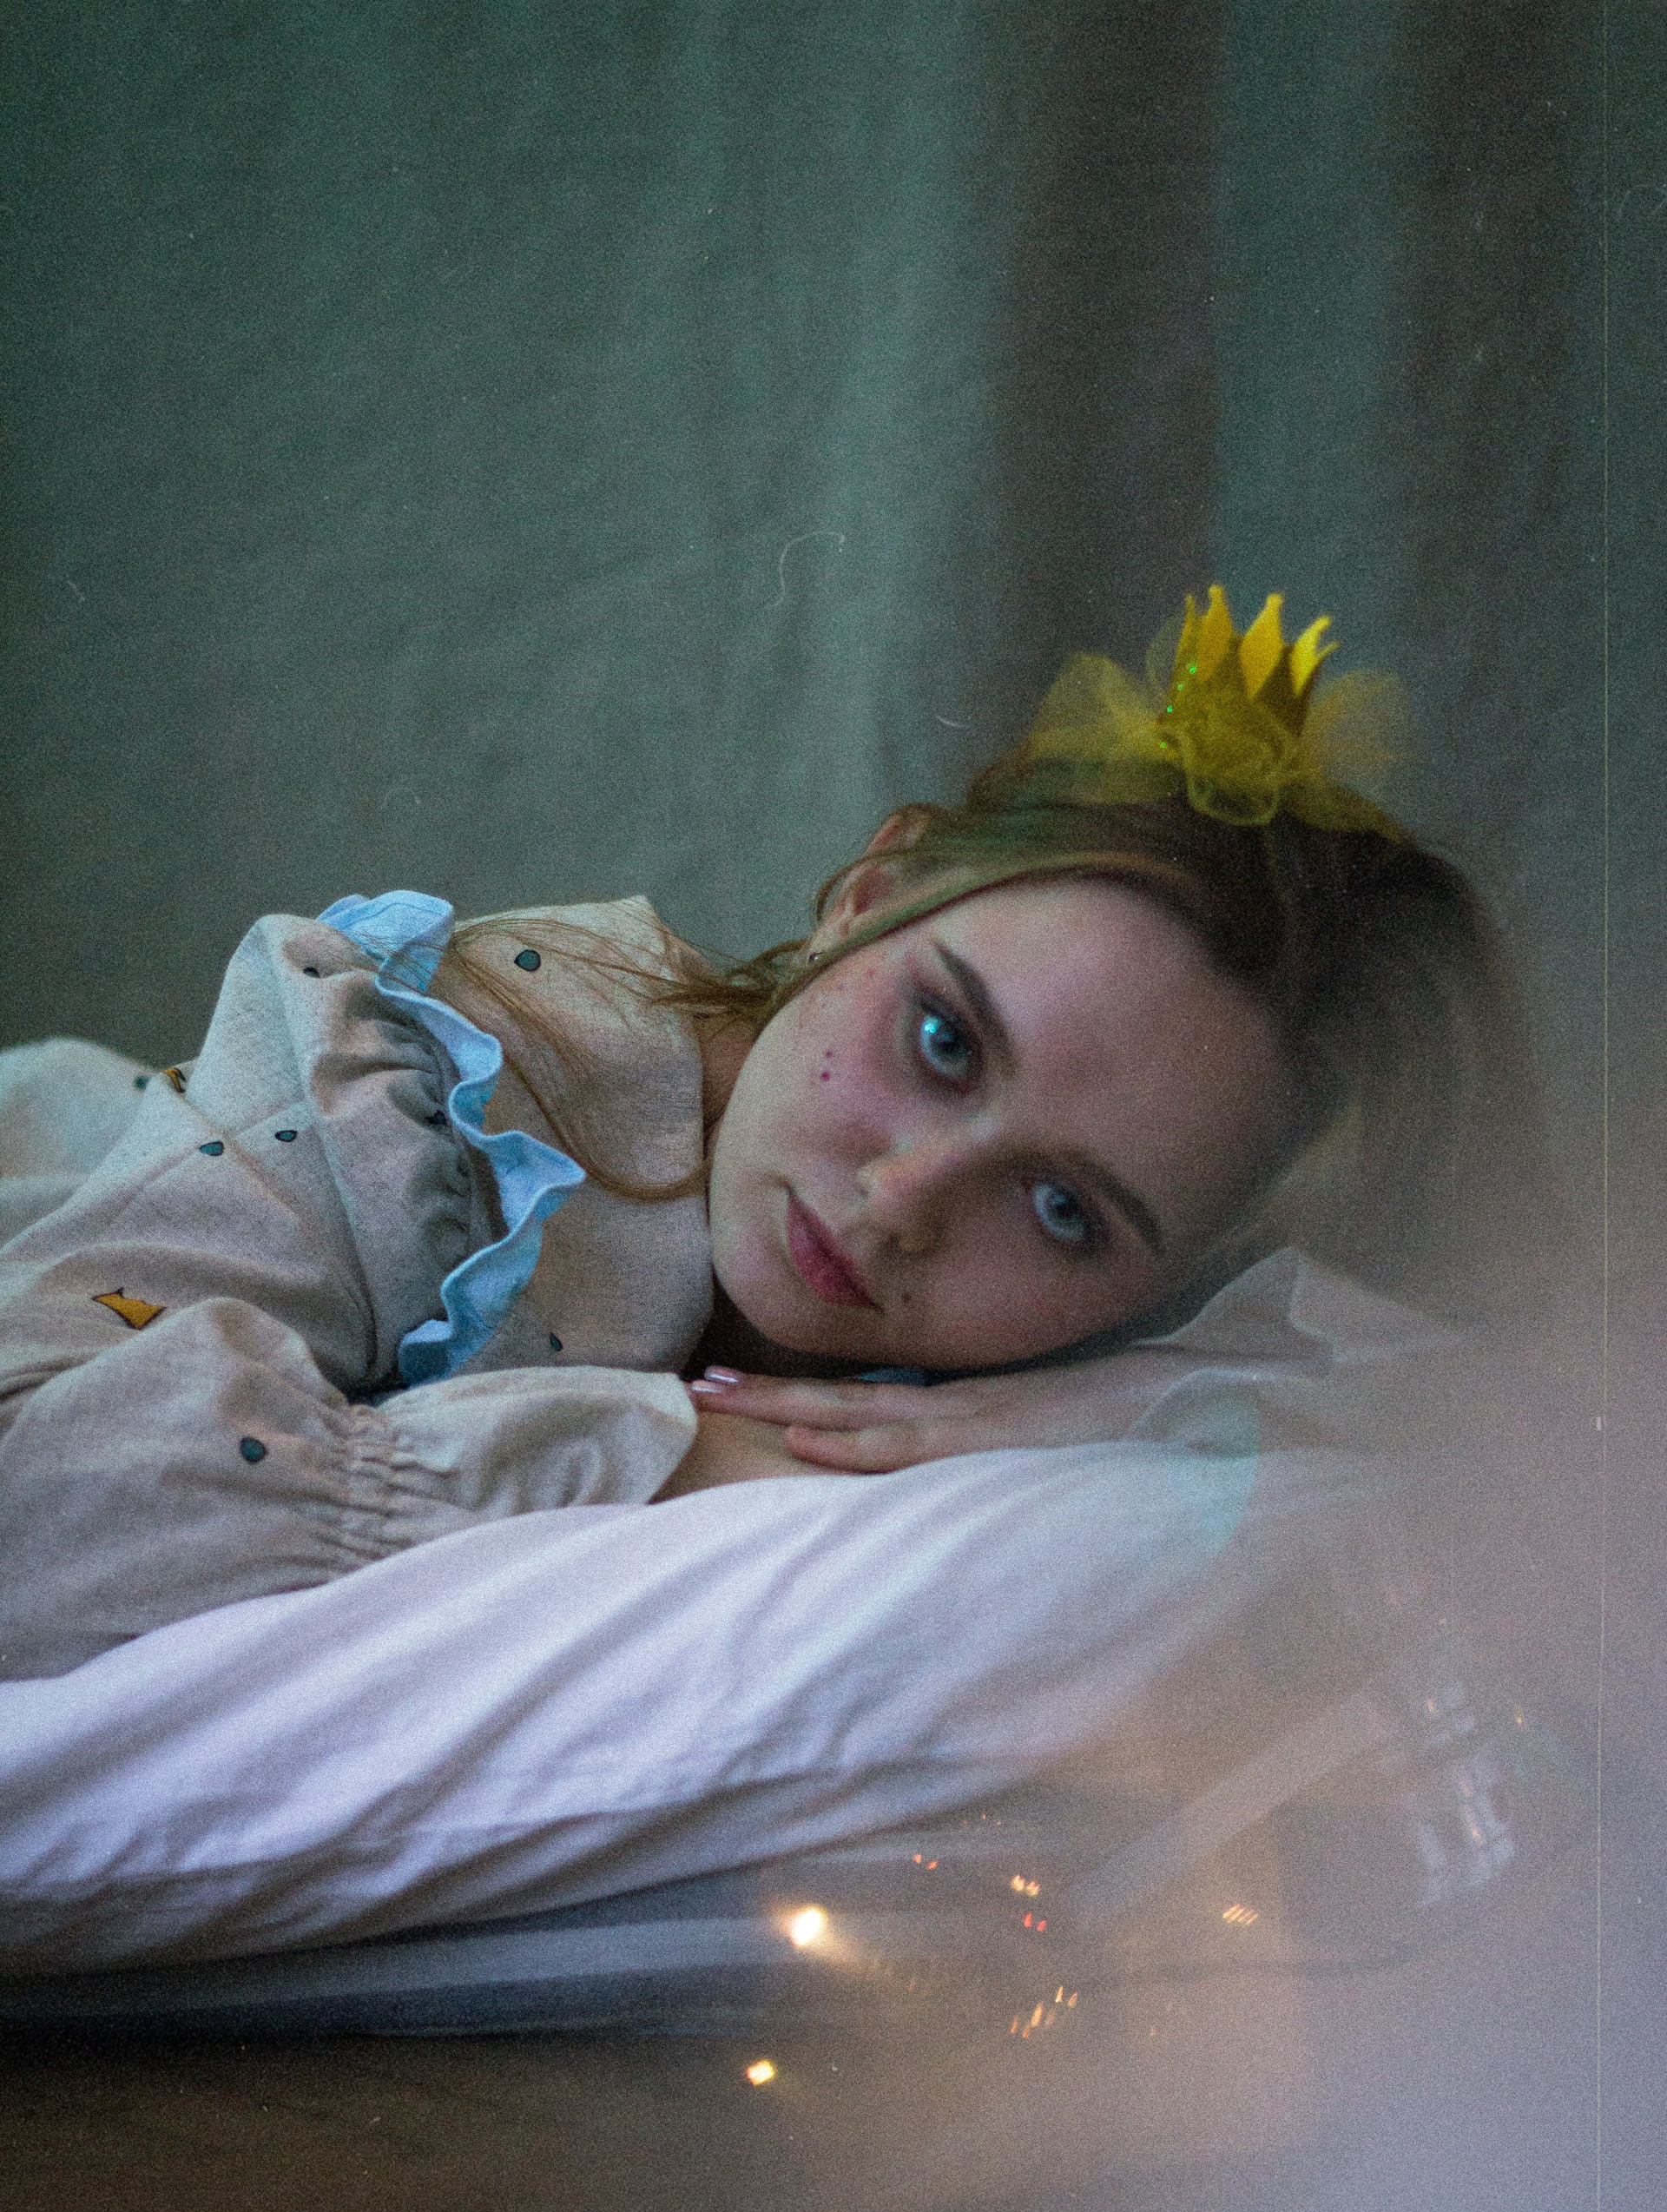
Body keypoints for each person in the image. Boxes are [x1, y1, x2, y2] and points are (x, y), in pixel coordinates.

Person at [0, 587, 1552, 1682]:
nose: (902, 1201)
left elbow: (1496, 1416)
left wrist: (1105, 1408)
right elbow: (37, 1506)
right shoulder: (429, 1079)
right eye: (942, 1041)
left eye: (1064, 1212)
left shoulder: (1067, 1359)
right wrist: (675, 1460)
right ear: (867, 897)